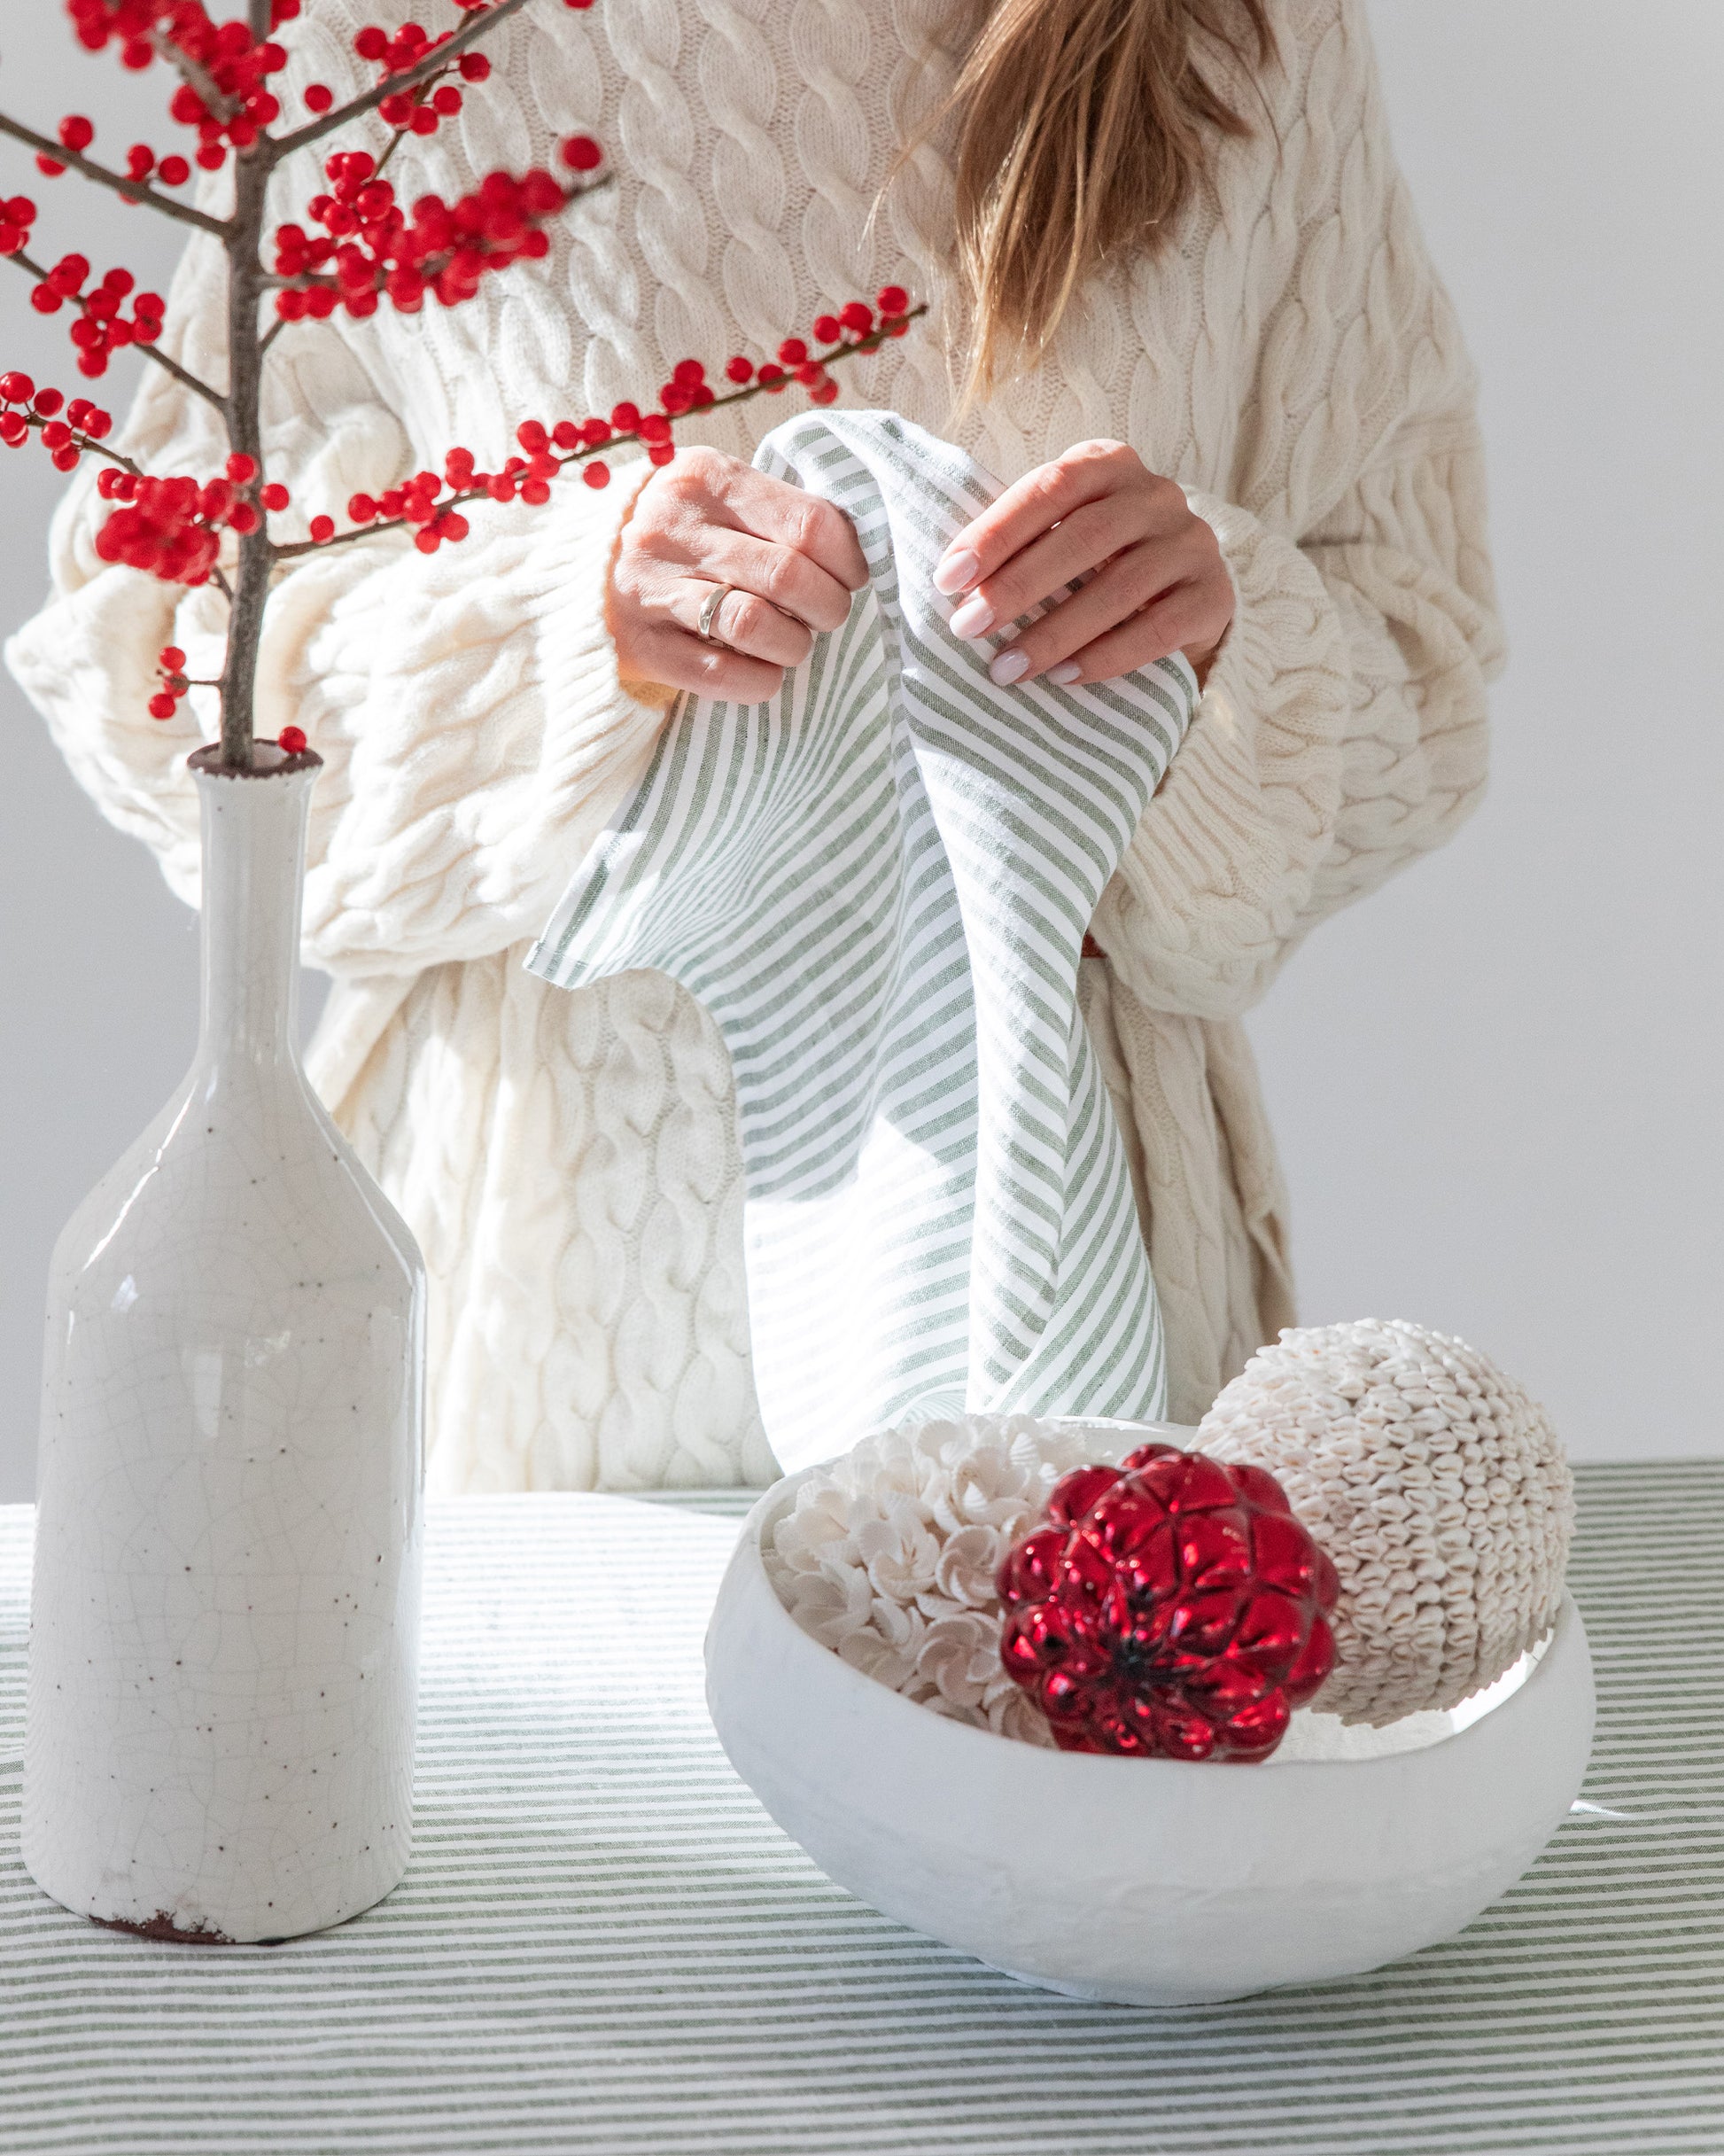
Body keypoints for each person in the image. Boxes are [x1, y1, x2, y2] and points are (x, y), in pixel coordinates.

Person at [10, 0, 1502, 1491]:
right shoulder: (391, 36)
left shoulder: (1247, 37)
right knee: (533, 1727)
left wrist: (1218, 637)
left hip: (1095, 1247)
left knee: (1056, 1695)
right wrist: (565, 625)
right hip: (551, 1297)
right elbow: (160, 655)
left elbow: (1423, 673)